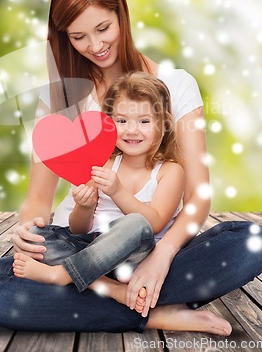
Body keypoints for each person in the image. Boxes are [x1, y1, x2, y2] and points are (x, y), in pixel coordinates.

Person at [0, 0, 262, 334]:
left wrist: (160, 257)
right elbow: (37, 200)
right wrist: (27, 232)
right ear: (64, 37)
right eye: (78, 36)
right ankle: (148, 309)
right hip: (77, 244)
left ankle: (114, 293)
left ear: (121, 14)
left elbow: (198, 199)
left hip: (150, 248)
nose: (95, 45)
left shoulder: (177, 85)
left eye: (103, 28)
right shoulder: (59, 98)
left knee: (251, 242)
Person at [12, 73, 189, 315]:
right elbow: (78, 230)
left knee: (135, 224)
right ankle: (107, 287)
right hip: (93, 253)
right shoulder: (104, 164)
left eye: (144, 121)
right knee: (35, 235)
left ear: (163, 124)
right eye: (122, 121)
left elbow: (154, 223)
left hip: (136, 259)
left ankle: (62, 275)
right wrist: (83, 207)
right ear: (110, 123)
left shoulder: (169, 171)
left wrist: (117, 191)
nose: (132, 130)